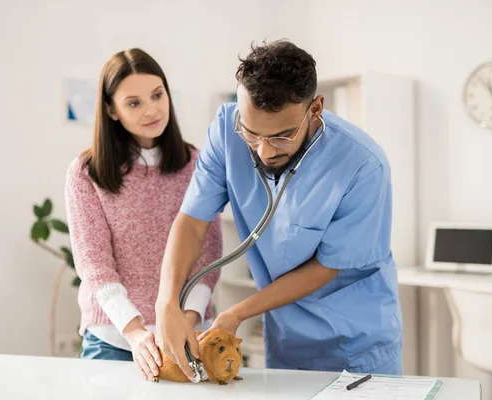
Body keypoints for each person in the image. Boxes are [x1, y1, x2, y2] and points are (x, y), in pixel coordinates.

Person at [155, 39, 403, 379]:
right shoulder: (227, 131)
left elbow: (326, 268)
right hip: (285, 341)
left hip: (355, 345)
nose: (265, 152)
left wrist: (237, 313)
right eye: (252, 134)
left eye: (282, 136)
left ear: (315, 108)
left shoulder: (363, 165)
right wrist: (166, 303)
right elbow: (193, 220)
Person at [64, 48, 222, 381]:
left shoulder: (198, 163)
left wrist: (186, 321)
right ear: (112, 110)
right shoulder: (87, 172)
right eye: (134, 102)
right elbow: (94, 265)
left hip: (189, 335)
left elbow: (208, 256)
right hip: (114, 339)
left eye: (157, 95)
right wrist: (135, 332)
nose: (152, 109)